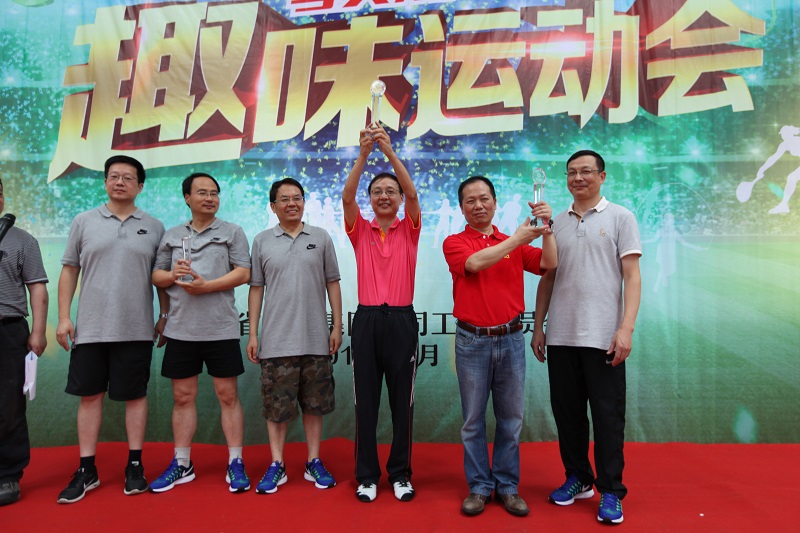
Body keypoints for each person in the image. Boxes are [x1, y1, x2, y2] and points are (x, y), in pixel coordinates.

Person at [532, 150, 641, 525]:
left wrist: (625, 328)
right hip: (561, 336)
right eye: (572, 172)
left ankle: (611, 490)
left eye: (586, 171)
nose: (578, 178)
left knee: (608, 417)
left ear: (602, 176)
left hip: (603, 338)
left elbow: (632, 276)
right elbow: (548, 277)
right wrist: (538, 326)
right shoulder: (556, 223)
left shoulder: (621, 217)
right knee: (568, 415)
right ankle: (578, 478)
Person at [442, 176, 556, 517]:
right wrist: (518, 239)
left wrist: (547, 229)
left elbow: (549, 264)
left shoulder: (511, 242)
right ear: (462, 207)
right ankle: (479, 486)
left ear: (494, 202)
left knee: (511, 419)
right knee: (473, 420)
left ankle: (507, 486)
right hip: (472, 341)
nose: (478, 205)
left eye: (484, 198)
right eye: (471, 200)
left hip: (511, 339)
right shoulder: (455, 242)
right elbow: (474, 264)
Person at [56, 156, 166, 503]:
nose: (120, 182)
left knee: (135, 396)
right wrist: (63, 317)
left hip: (136, 328)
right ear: (105, 182)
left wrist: (165, 314)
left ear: (140, 186)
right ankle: (86, 470)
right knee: (89, 396)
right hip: (90, 328)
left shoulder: (154, 226)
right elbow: (69, 270)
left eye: (128, 178)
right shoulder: (84, 221)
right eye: (114, 176)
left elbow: (160, 276)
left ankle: (134, 466)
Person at [150, 172, 251, 493]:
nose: (210, 198)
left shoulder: (232, 232)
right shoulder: (172, 235)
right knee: (183, 397)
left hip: (221, 328)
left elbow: (244, 272)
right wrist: (172, 275)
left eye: (214, 193)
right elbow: (156, 276)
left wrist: (208, 286)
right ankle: (182, 463)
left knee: (228, 396)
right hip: (181, 330)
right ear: (187, 198)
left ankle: (235, 461)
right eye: (202, 193)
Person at [246, 178, 343, 494]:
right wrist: (254, 334)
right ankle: (277, 463)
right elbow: (256, 288)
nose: (292, 203)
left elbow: (332, 282)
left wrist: (336, 326)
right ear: (273, 206)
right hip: (277, 341)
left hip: (316, 339)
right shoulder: (262, 241)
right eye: (285, 199)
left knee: (315, 405)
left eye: (297, 197)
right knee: (277, 408)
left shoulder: (321, 237)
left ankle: (314, 460)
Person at [342, 124, 421, 503]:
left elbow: (413, 193)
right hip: (367, 321)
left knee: (402, 403)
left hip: (402, 321)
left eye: (391, 191)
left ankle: (401, 473)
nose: (385, 196)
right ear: (370, 199)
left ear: (399, 198)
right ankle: (367, 476)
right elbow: (346, 198)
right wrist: (363, 154)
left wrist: (388, 151)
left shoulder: (410, 228)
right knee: (366, 403)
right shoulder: (360, 229)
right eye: (377, 191)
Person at [0, 178, 49, 506]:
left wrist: (38, 331)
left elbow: (37, 288)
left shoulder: (22, 240)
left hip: (8, 330)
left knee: (8, 406)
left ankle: (7, 474)